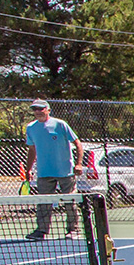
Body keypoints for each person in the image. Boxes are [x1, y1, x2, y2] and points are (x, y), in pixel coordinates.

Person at [22, 99, 83, 239]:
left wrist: (78, 164)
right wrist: (28, 169)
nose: (37, 112)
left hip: (65, 172)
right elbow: (32, 150)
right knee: (43, 202)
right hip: (44, 172)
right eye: (35, 109)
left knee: (70, 201)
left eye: (40, 109)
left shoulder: (60, 124)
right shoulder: (31, 128)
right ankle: (42, 231)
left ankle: (73, 230)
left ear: (48, 110)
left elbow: (78, 144)